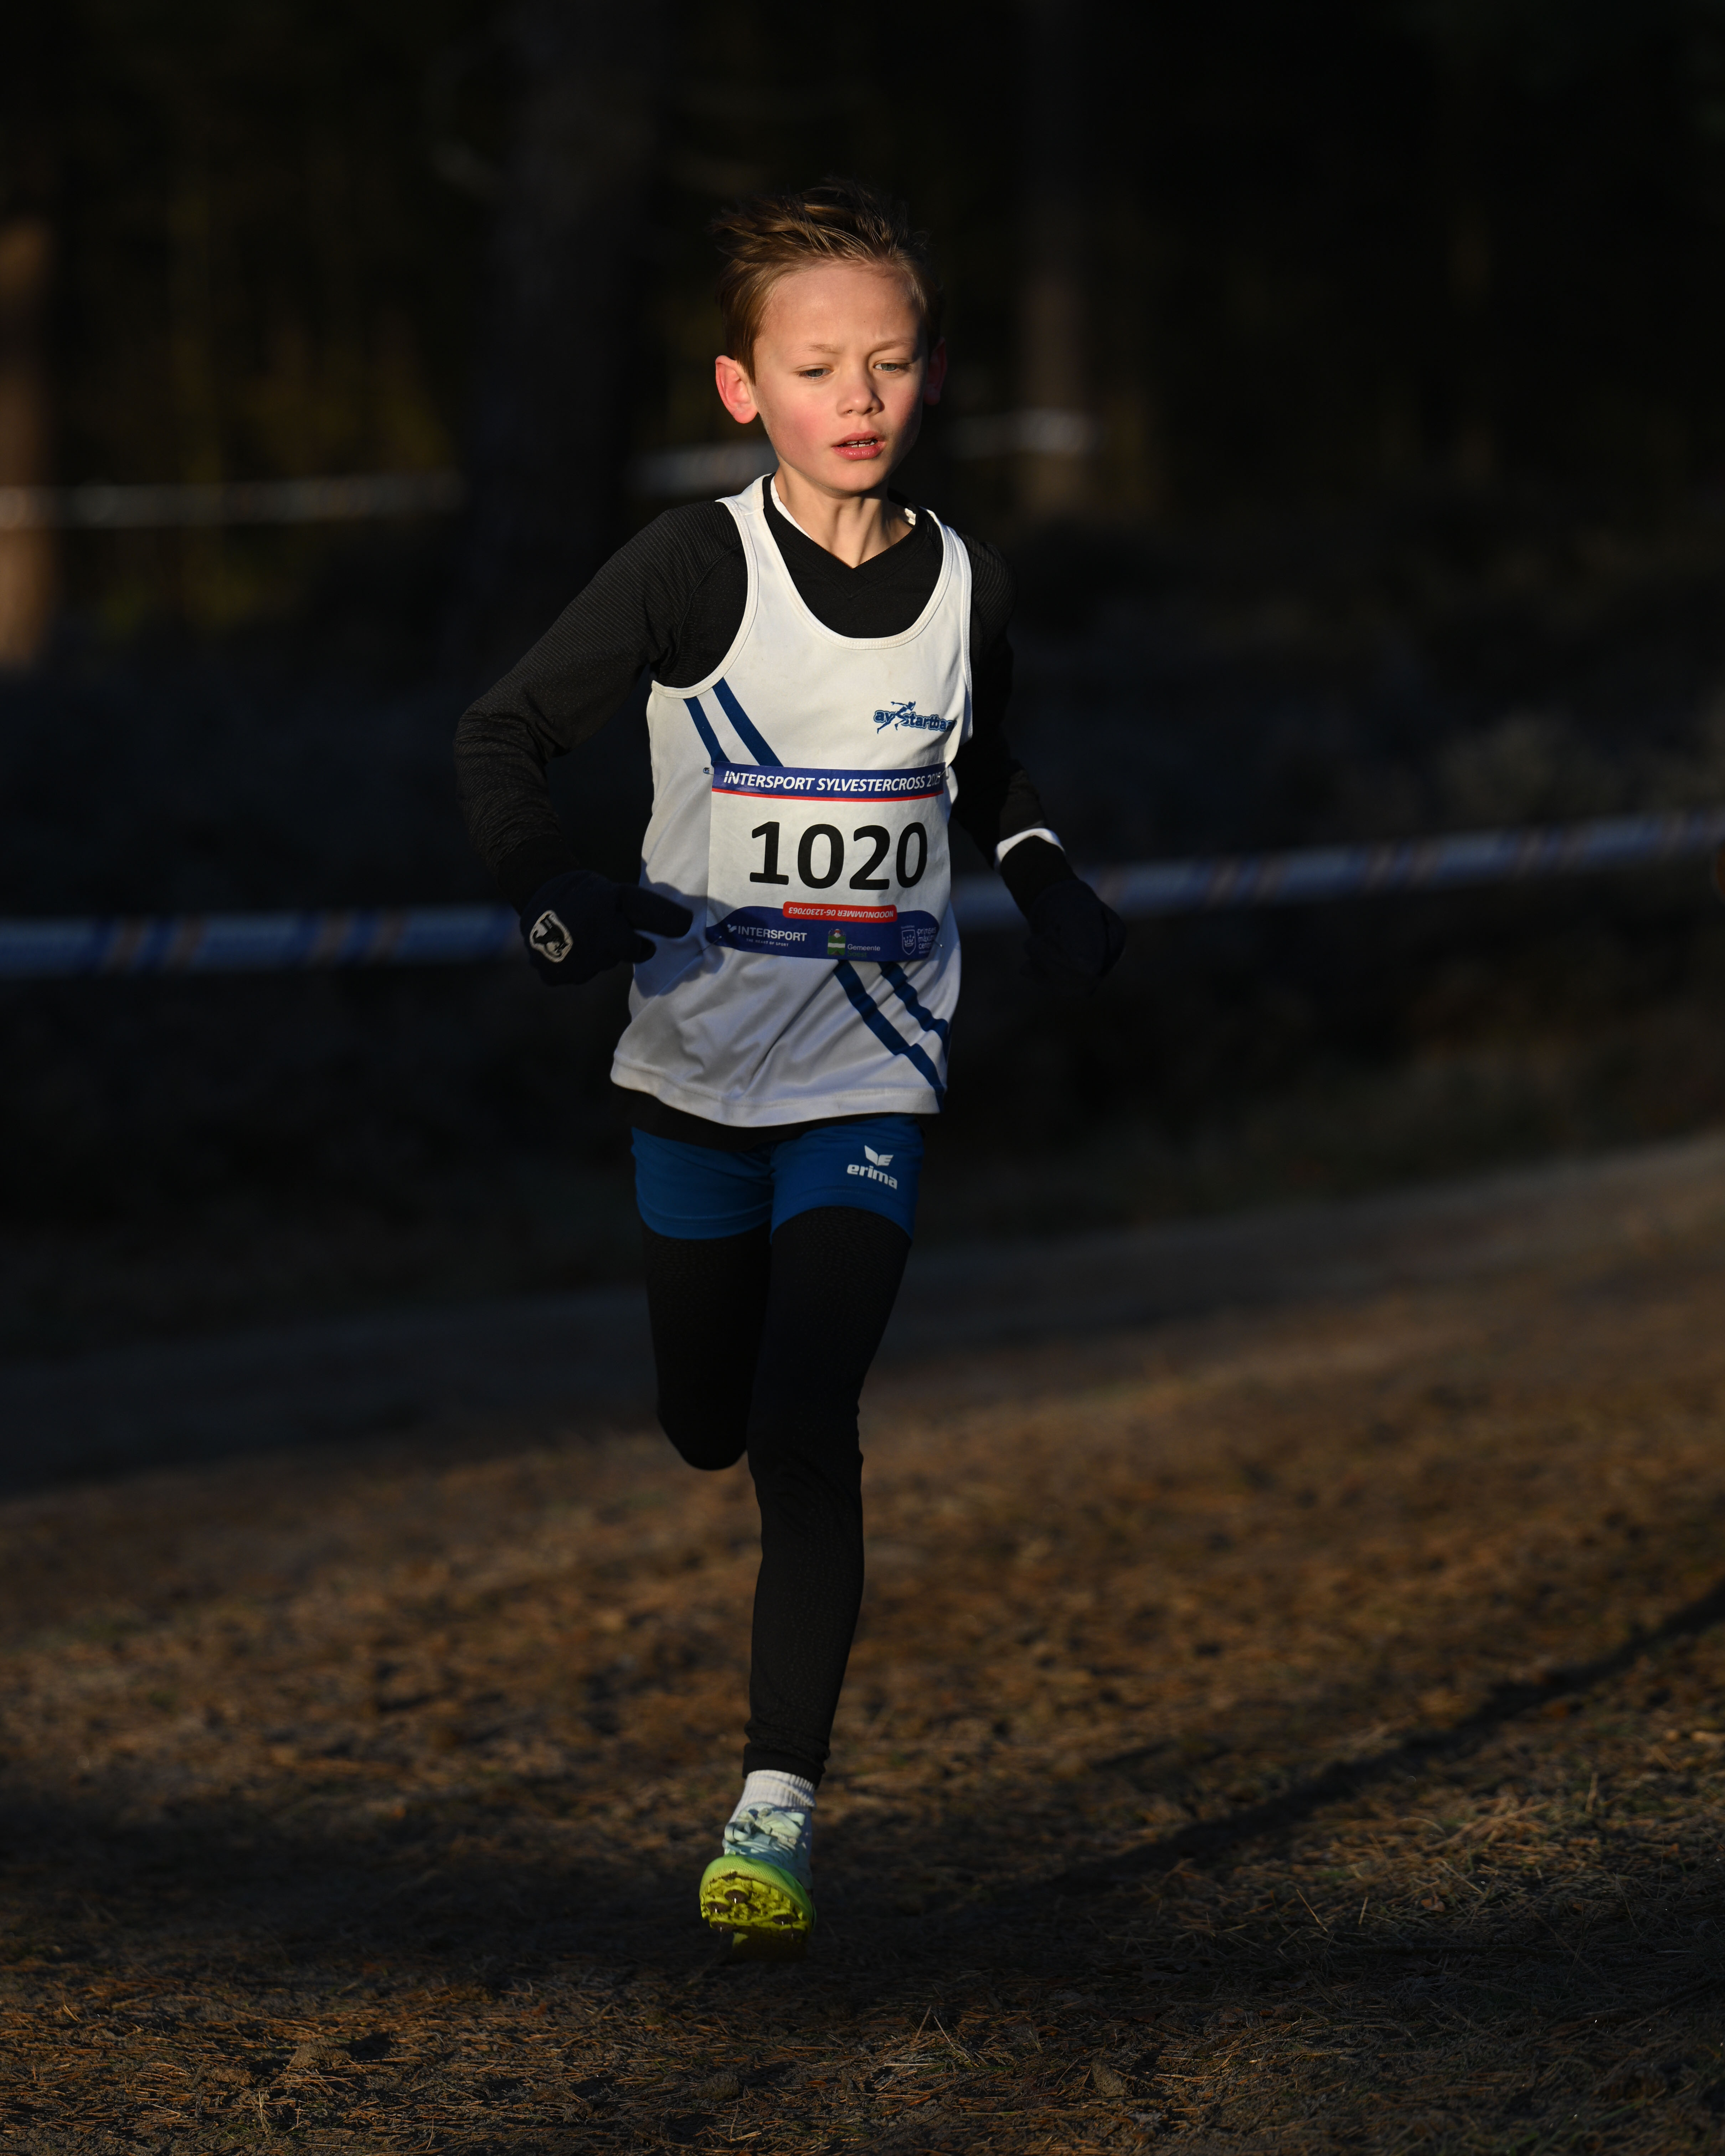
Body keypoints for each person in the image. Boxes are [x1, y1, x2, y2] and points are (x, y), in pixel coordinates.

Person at [453, 178, 1123, 1956]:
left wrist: (1044, 872)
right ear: (744, 388)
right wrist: (550, 894)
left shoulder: (966, 580)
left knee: (803, 1420)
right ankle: (717, 1411)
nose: (859, 397)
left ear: (932, 374)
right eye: (818, 367)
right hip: (689, 1075)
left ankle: (775, 1812)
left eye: (889, 362)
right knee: (707, 1420)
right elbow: (500, 734)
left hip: (869, 1073)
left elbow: (987, 768)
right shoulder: (693, 569)